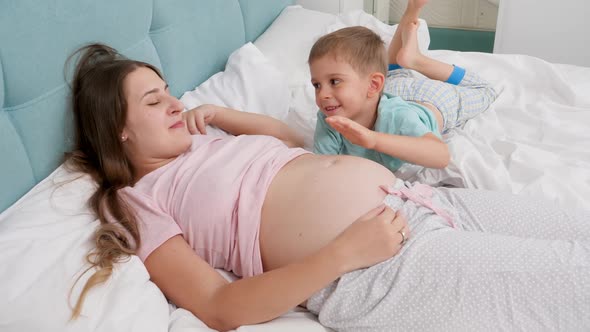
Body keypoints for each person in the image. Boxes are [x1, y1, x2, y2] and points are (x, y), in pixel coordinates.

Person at [66, 43, 589, 332]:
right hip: (377, 267)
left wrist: (225, 114)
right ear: (119, 130)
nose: (176, 104)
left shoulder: (206, 140)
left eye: (168, 91)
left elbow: (292, 142)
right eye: (154, 102)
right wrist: (342, 255)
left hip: (423, 203)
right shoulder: (135, 202)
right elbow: (220, 308)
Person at [310, 0, 497, 172]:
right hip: (390, 87)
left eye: (334, 81)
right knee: (391, 70)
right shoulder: (330, 118)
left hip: (431, 100)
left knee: (485, 90)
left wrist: (373, 140)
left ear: (373, 86)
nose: (323, 94)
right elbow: (323, 167)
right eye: (317, 85)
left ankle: (417, 60)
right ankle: (411, 12)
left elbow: (440, 155)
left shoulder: (398, 117)